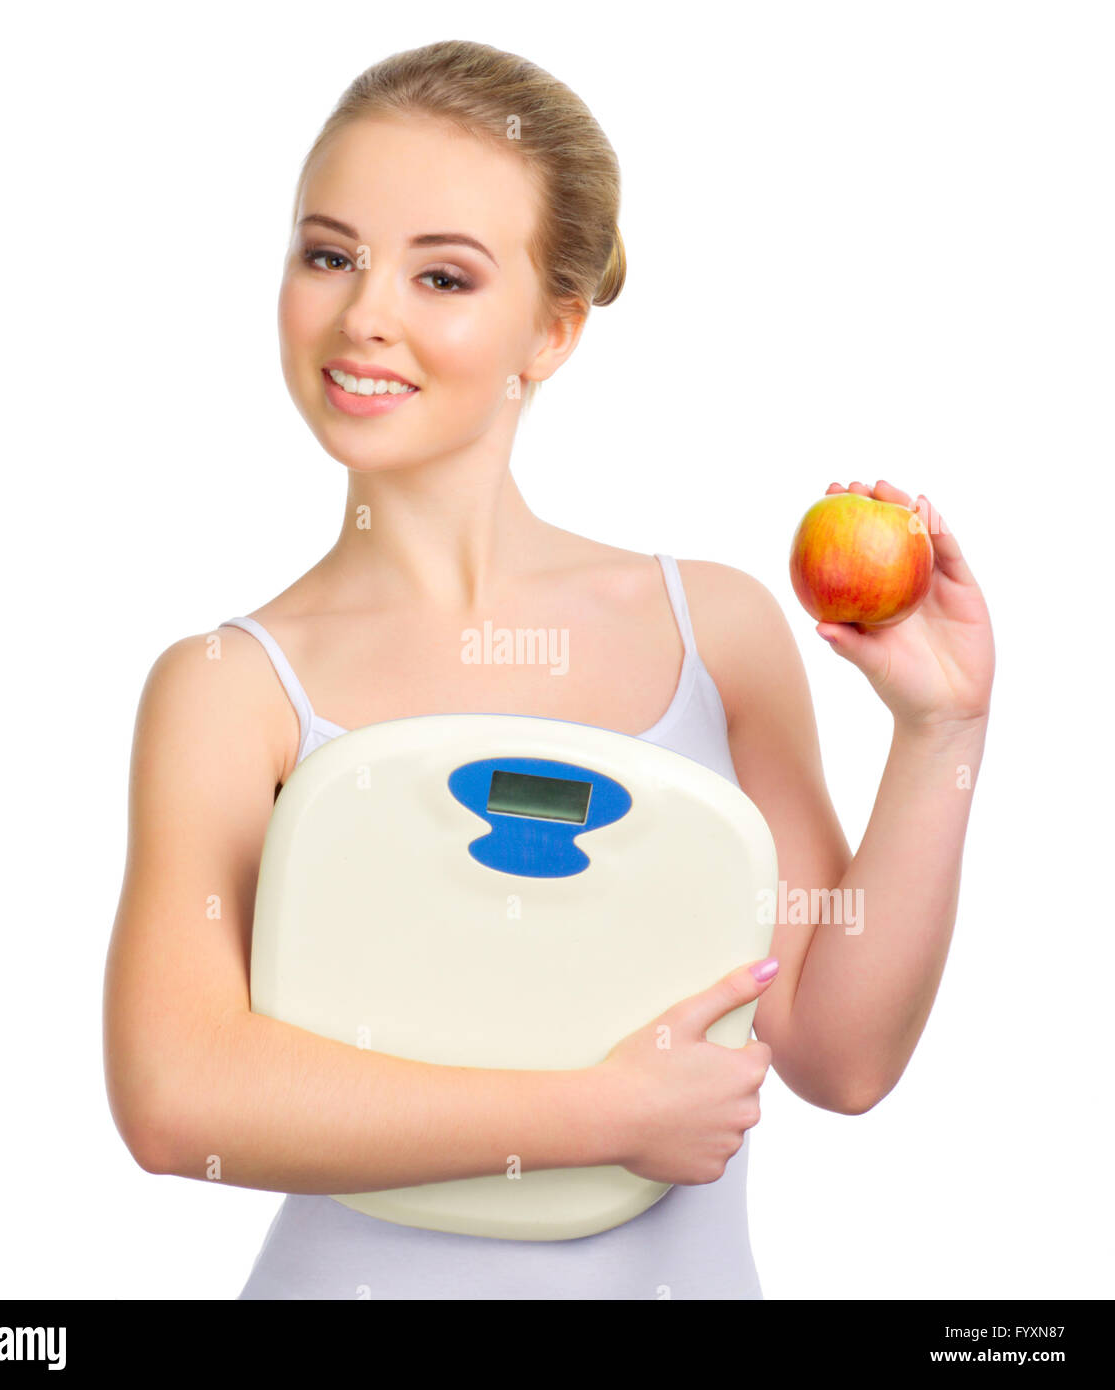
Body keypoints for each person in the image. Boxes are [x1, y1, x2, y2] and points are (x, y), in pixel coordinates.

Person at [102, 39, 996, 1300]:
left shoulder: (714, 634)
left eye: (444, 275)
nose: (367, 313)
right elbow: (174, 1095)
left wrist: (942, 730)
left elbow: (839, 1054)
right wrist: (597, 1116)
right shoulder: (227, 688)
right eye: (329, 254)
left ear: (554, 331)